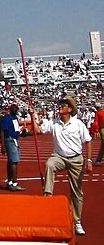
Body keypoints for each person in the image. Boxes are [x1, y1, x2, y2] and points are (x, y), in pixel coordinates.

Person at [33, 96, 92, 235]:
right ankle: (48, 194)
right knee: (49, 164)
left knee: (76, 191)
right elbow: (38, 130)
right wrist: (32, 116)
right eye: (60, 105)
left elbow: (88, 141)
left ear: (70, 109)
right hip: (59, 157)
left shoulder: (78, 124)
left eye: (63, 105)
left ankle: (76, 221)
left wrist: (89, 160)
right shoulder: (54, 123)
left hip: (76, 159)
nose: (60, 107)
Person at [0, 103, 24, 191]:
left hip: (14, 139)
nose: (16, 110)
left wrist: (21, 133)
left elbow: (16, 129)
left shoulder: (15, 118)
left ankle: (10, 182)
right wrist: (2, 145)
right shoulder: (7, 118)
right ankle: (14, 183)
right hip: (10, 140)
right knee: (14, 161)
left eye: (16, 108)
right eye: (14, 108)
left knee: (11, 161)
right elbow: (2, 131)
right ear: (10, 109)